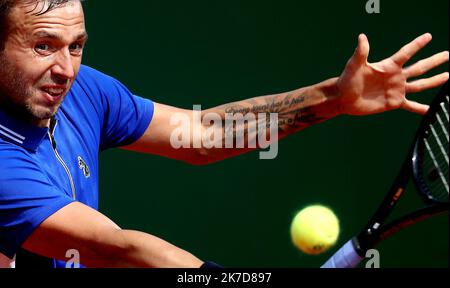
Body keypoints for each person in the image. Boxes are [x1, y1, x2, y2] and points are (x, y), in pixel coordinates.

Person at [0, 0, 448, 268]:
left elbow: (200, 134)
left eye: (75, 46)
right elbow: (118, 250)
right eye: (43, 46)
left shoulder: (84, 91)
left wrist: (335, 97)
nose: (65, 69)